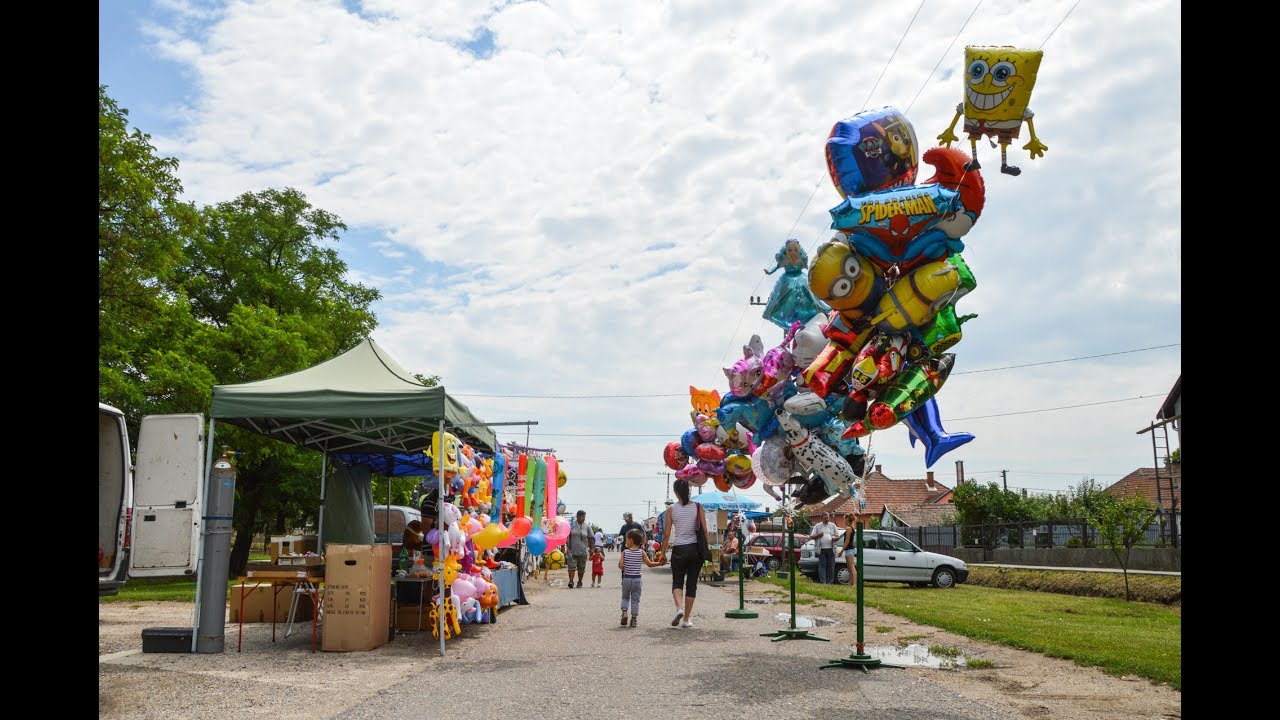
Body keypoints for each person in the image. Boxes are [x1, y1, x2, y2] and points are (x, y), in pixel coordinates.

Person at [658, 478, 706, 629]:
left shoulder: (671, 509)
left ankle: (679, 608)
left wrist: (662, 553)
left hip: (679, 549)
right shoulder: (698, 507)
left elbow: (666, 534)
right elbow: (704, 531)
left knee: (677, 581)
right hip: (695, 549)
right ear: (689, 491)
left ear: (675, 492)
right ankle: (686, 619)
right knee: (691, 584)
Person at [618, 527, 663, 627]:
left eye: (626, 539)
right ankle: (634, 619)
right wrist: (659, 563)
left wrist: (625, 566)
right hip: (637, 580)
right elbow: (650, 564)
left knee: (625, 597)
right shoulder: (642, 552)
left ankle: (624, 612)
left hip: (626, 579)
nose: (625, 541)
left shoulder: (625, 552)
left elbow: (620, 566)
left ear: (631, 540)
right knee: (635, 599)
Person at [566, 510, 593, 589]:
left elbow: (590, 538)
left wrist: (591, 549)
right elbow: (566, 536)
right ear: (577, 517)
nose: (583, 518)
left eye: (584, 516)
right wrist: (565, 546)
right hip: (572, 550)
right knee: (571, 567)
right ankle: (571, 581)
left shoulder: (587, 527)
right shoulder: (571, 525)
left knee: (581, 568)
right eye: (582, 516)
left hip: (583, 550)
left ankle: (580, 581)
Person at [810, 511, 839, 584]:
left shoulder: (833, 525)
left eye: (828, 518)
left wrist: (834, 538)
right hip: (821, 549)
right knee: (822, 566)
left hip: (831, 549)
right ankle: (823, 582)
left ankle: (829, 582)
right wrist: (819, 535)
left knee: (831, 566)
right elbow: (811, 537)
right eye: (825, 518)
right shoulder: (818, 526)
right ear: (821, 518)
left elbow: (838, 536)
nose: (827, 520)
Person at [839, 512, 859, 588]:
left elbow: (847, 541)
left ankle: (855, 584)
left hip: (849, 549)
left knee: (852, 567)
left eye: (844, 519)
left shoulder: (848, 529)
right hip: (850, 549)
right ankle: (850, 583)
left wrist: (841, 551)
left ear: (847, 519)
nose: (844, 521)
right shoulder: (851, 527)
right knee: (850, 567)